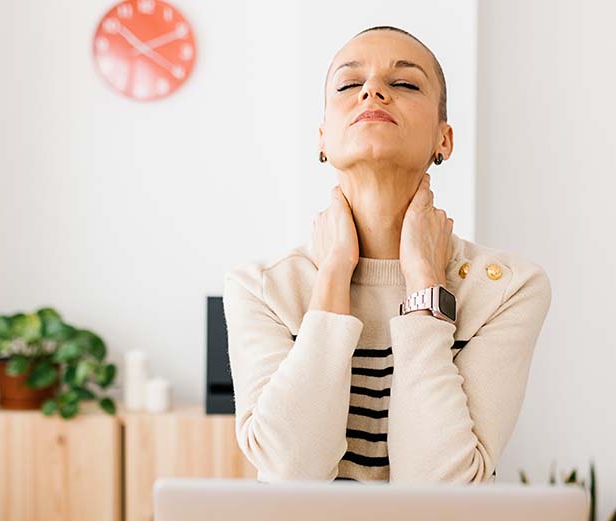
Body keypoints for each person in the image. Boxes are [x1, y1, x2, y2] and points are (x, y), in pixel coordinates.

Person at [222, 25, 551, 483]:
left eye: (404, 83)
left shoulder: (505, 288)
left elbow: (439, 485)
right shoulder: (262, 287)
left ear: (444, 139)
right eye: (350, 84)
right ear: (321, 139)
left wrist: (425, 285)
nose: (372, 90)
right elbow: (292, 473)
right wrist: (333, 275)